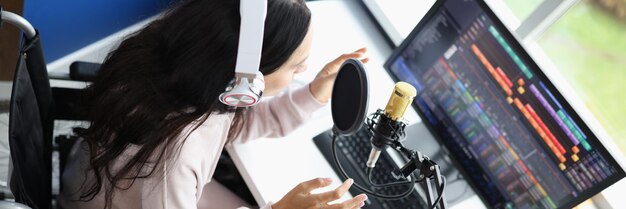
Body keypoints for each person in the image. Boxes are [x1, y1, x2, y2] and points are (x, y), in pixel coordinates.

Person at [58, 0, 370, 208]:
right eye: (296, 66)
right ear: (251, 76)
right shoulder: (173, 159)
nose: (303, 71)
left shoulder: (190, 77)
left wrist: (314, 92)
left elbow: (237, 124)